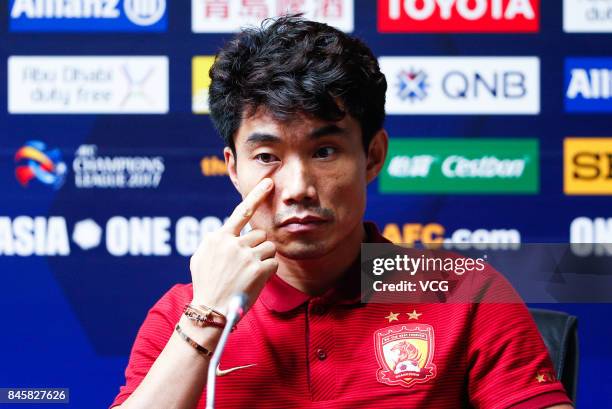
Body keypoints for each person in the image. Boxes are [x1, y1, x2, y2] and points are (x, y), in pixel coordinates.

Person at [110, 15, 573, 409]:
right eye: (267, 157)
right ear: (233, 170)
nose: (298, 189)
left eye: (325, 151)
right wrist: (208, 316)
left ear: (372, 155)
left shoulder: (465, 294)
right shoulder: (181, 313)